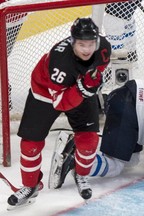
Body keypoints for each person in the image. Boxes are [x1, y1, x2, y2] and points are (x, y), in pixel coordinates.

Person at [7, 17, 111, 209]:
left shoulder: (103, 48)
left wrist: (90, 82)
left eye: (90, 44)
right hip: (46, 93)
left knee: (89, 141)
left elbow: (100, 68)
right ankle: (30, 186)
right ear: (73, 42)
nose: (87, 49)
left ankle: (80, 174)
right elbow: (61, 103)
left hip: (79, 90)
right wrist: (84, 87)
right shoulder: (59, 62)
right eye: (81, 44)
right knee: (30, 145)